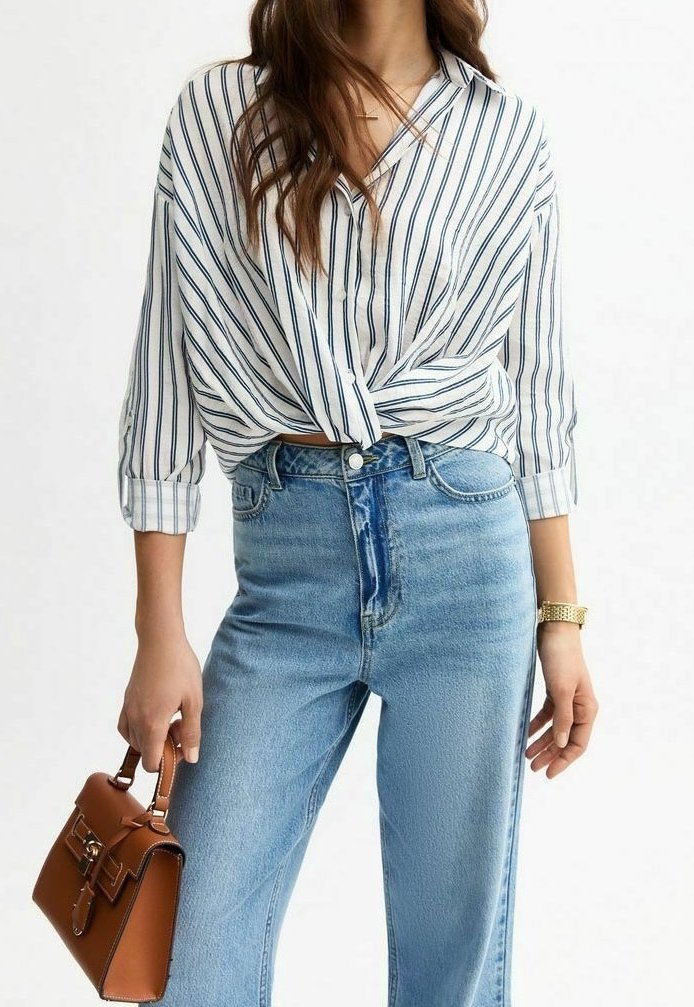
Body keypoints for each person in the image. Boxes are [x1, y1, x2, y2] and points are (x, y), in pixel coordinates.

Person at [115, 1, 598, 1004]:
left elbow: (539, 397)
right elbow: (165, 375)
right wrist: (158, 625)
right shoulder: (221, 114)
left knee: (448, 962)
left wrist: (561, 620)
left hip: (464, 553)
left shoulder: (504, 136)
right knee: (186, 949)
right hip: (285, 571)